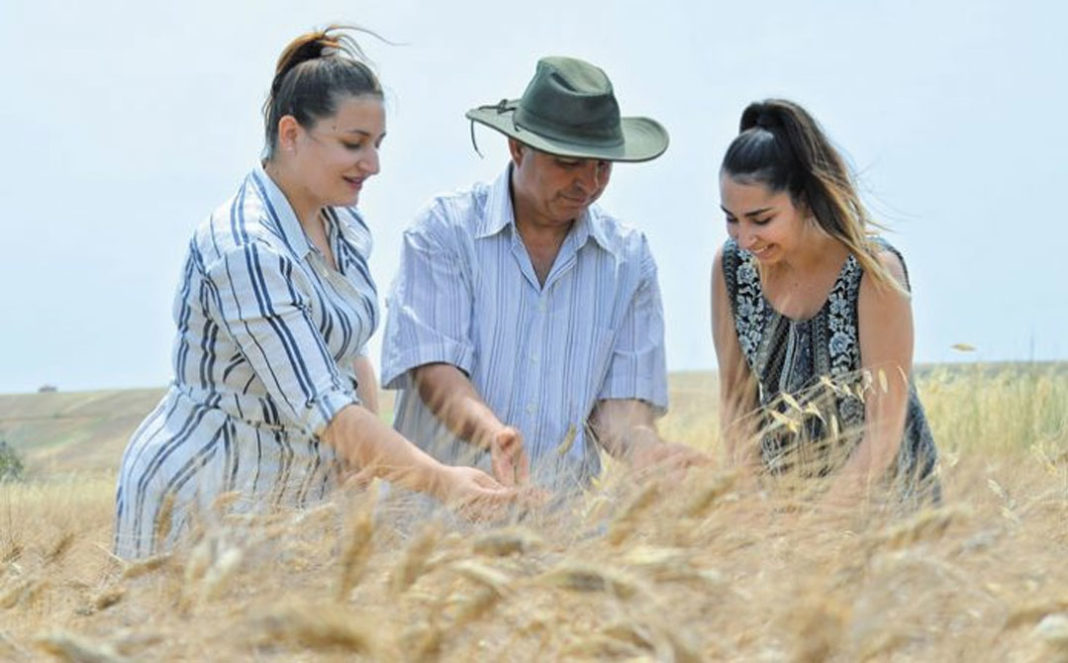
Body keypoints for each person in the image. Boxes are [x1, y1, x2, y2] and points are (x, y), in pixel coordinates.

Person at [113, 27, 513, 559]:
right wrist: (442, 481)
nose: (373, 164)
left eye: (377, 144)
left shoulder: (342, 226)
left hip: (296, 503)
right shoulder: (245, 248)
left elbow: (350, 350)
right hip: (203, 497)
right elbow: (324, 407)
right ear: (291, 134)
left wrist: (365, 469)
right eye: (353, 144)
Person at [381, 56, 708, 494]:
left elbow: (618, 407)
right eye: (568, 162)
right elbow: (434, 368)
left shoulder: (629, 259)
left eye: (602, 166)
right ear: (517, 148)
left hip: (557, 532)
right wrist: (494, 434)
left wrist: (647, 452)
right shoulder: (444, 231)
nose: (588, 183)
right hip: (437, 526)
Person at [710, 99, 939, 508]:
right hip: (787, 507)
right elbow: (736, 403)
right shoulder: (731, 270)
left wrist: (820, 525)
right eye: (731, 218)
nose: (745, 239)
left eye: (761, 219)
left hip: (888, 510)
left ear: (805, 198)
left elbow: (883, 431)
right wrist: (750, 507)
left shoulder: (873, 273)